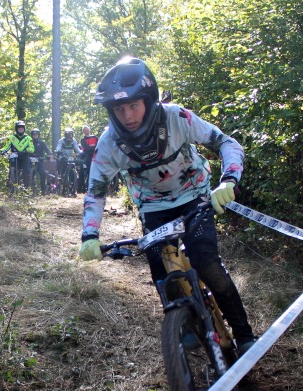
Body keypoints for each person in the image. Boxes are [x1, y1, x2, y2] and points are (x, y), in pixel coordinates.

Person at [78, 56, 257, 354]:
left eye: (133, 105)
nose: (127, 115)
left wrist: (229, 181)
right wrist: (89, 235)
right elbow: (95, 191)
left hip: (194, 195)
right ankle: (182, 323)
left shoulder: (177, 118)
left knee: (206, 262)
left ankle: (244, 333)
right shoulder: (109, 143)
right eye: (119, 109)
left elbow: (226, 143)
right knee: (161, 271)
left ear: (148, 100)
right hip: (152, 206)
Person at [0, 121, 35, 191]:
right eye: (19, 129)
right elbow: (6, 147)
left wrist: (27, 150)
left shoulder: (28, 138)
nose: (20, 130)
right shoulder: (11, 137)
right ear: (16, 129)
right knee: (12, 170)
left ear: (24, 129)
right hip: (14, 156)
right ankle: (11, 185)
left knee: (26, 171)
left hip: (24, 157)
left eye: (22, 129)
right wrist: (0, 152)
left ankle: (26, 188)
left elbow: (32, 149)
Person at [55, 128, 82, 195]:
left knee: (76, 165)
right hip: (63, 156)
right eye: (68, 134)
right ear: (65, 134)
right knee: (62, 162)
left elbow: (77, 149)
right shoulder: (61, 141)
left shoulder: (74, 141)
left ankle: (74, 182)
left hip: (71, 157)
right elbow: (58, 147)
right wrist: (58, 151)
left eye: (70, 134)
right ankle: (61, 175)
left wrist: (82, 153)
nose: (69, 136)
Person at [30, 128, 53, 195]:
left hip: (40, 160)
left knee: (43, 173)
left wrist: (49, 154)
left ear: (38, 135)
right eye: (34, 134)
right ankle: (26, 189)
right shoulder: (29, 142)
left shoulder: (42, 143)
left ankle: (43, 190)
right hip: (30, 160)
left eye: (36, 134)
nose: (35, 136)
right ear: (32, 135)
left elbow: (47, 149)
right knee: (26, 172)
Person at [78, 125, 98, 193]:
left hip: (96, 156)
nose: (86, 131)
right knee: (90, 171)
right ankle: (88, 187)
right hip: (88, 157)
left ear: (89, 130)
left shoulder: (95, 138)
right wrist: (94, 149)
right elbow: (87, 148)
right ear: (83, 132)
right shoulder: (83, 140)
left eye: (87, 130)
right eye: (85, 130)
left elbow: (98, 146)